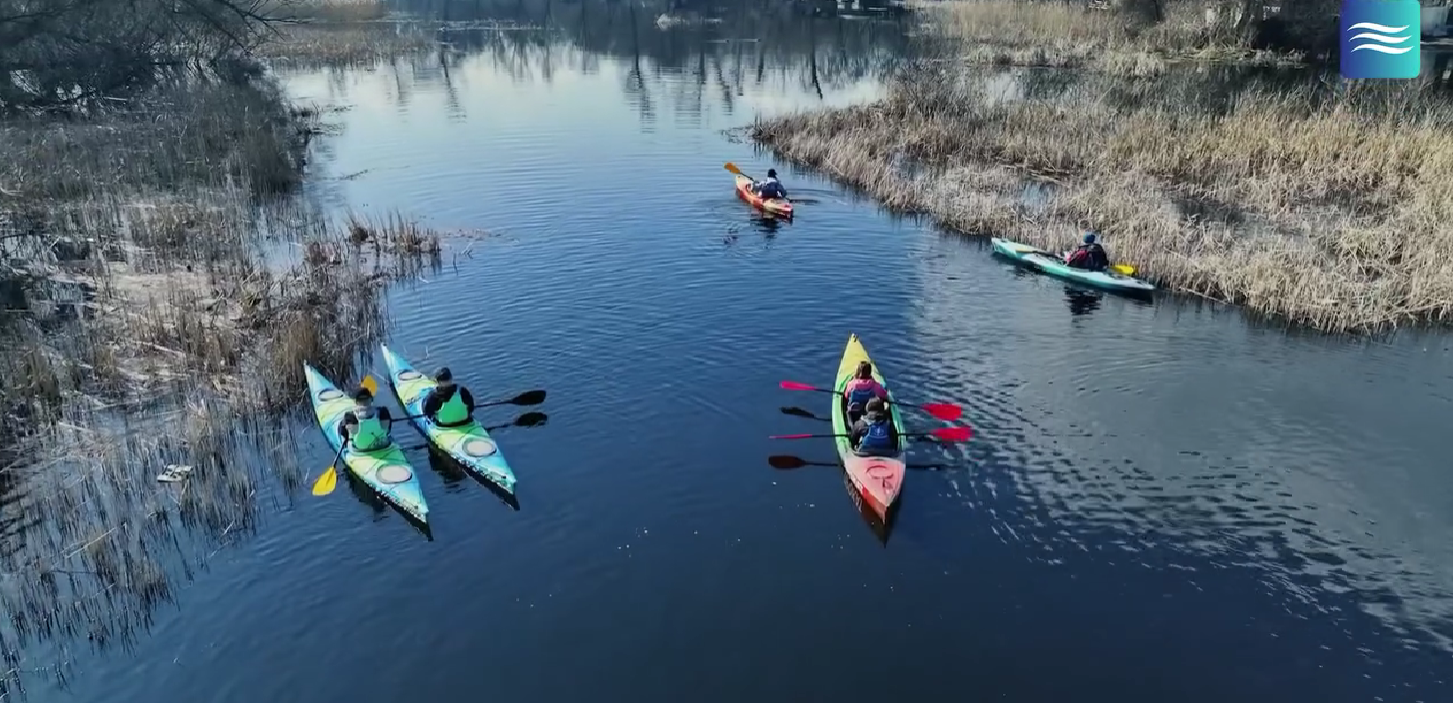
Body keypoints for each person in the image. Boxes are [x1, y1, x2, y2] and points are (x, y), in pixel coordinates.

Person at [340, 386, 393, 452]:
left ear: (356, 401)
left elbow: (344, 434)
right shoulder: (383, 411)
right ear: (371, 399)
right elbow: (388, 429)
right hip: (383, 445)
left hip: (360, 448)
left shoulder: (350, 416)